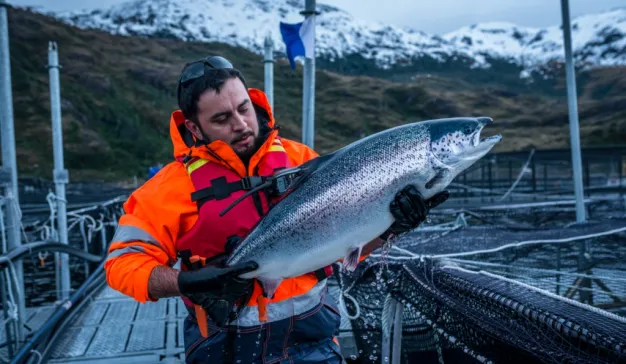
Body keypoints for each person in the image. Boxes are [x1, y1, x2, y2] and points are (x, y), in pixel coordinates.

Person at [104, 55, 449, 363]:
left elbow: (344, 245)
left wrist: (391, 226)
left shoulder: (303, 161)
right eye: (222, 118)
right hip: (223, 352)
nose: (240, 124)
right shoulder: (165, 190)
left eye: (243, 108)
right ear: (194, 127)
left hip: (313, 345)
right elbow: (121, 266)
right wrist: (188, 282)